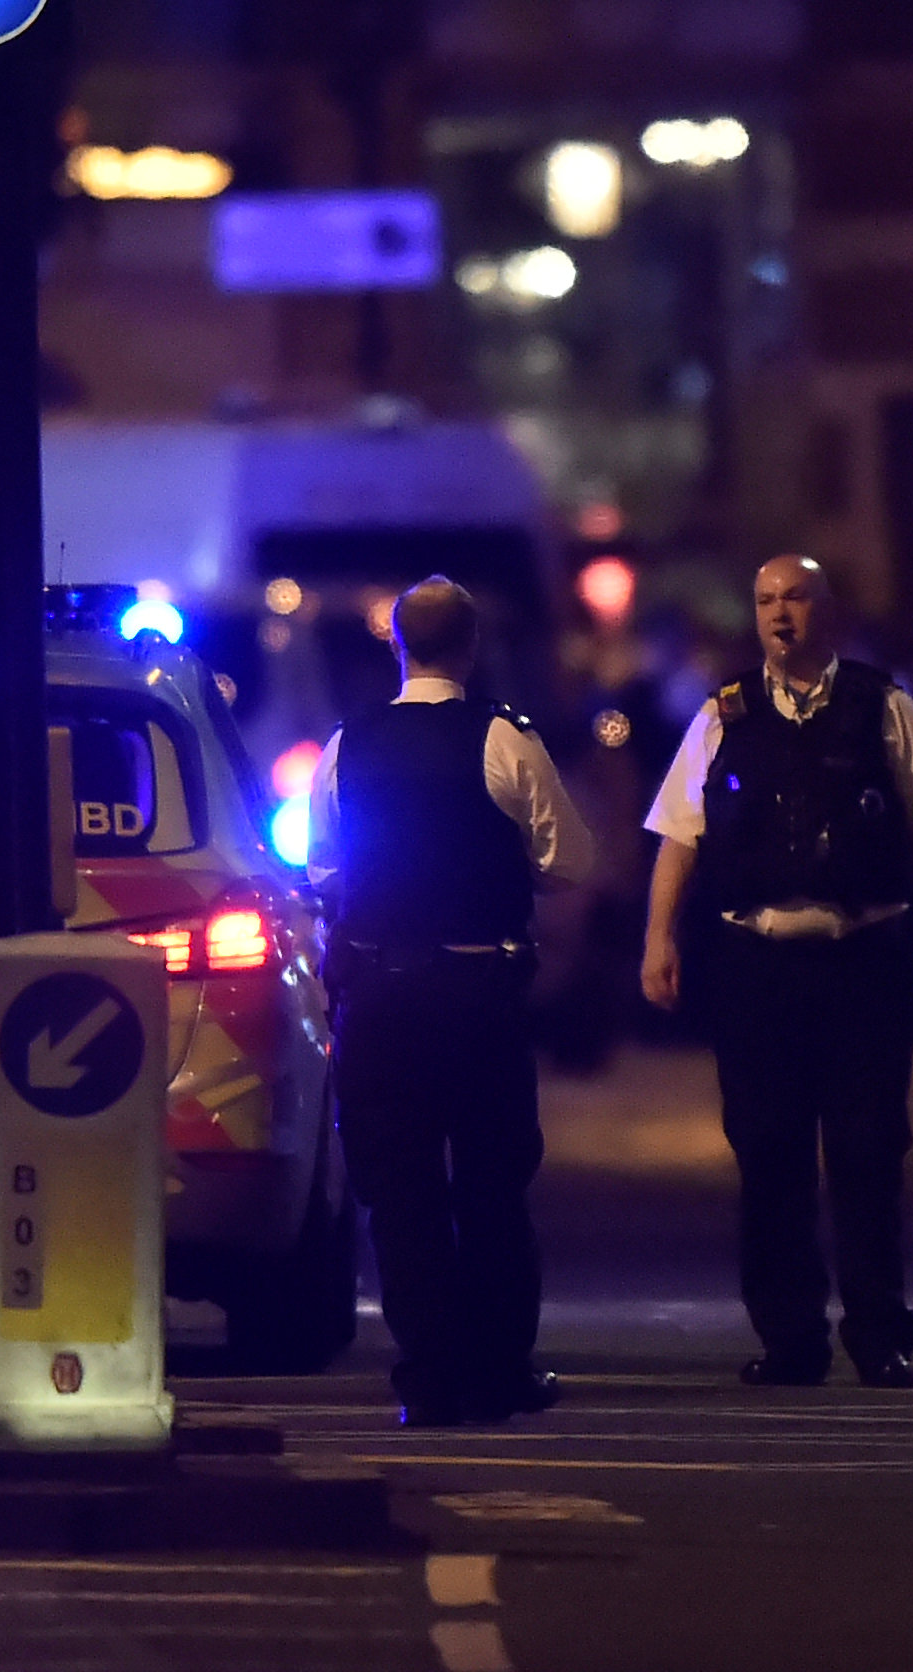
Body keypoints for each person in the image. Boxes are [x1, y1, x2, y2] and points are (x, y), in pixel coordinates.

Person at [640, 555, 913, 1389]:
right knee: (767, 1155)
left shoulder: (878, 706)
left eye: (794, 598)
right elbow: (679, 837)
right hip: (756, 964)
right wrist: (658, 940)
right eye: (765, 600)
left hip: (860, 959)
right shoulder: (723, 715)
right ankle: (789, 1339)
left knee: (866, 1154)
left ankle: (878, 1336)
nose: (779, 614)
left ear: (828, 610)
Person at [309, 576, 595, 1427]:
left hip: (381, 995)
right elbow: (570, 859)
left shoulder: (346, 744)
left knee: (398, 1192)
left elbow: (323, 867)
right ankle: (501, 1369)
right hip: (477, 993)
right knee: (492, 1184)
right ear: (471, 647)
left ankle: (428, 1371)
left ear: (396, 644)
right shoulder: (505, 739)